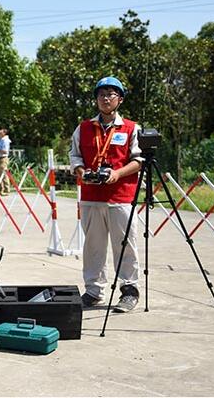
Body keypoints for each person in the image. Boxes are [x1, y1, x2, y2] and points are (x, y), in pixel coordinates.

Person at [69, 77, 143, 313]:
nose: (105, 98)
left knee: (125, 245)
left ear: (119, 99)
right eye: (101, 94)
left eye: (111, 94)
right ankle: (93, 291)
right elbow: (75, 156)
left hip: (120, 196)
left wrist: (117, 173)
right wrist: (81, 171)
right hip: (91, 196)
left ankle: (129, 290)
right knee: (93, 246)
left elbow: (139, 160)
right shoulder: (84, 128)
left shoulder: (131, 128)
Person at [0, 128, 12, 196]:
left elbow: (5, 151)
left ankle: (7, 190)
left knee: (4, 175)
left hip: (3, 159)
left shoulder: (5, 141)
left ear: (4, 133)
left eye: (0, 133)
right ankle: (0, 190)